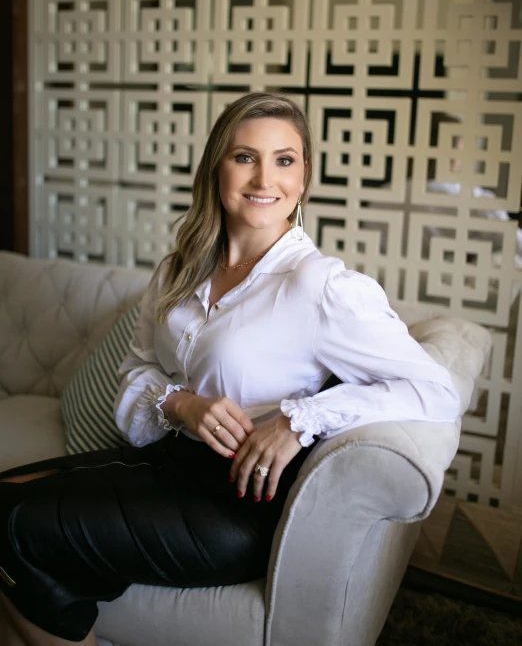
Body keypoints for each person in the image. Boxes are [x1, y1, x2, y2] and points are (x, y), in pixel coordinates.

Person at [0, 92, 460, 646]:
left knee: (9, 524)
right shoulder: (179, 269)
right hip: (164, 466)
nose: (265, 177)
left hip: (230, 511)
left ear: (304, 176)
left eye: (284, 160)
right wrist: (180, 404)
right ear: (216, 166)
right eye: (245, 157)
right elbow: (136, 372)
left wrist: (298, 420)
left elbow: (434, 389)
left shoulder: (324, 288)